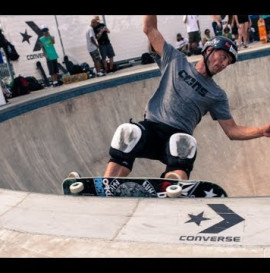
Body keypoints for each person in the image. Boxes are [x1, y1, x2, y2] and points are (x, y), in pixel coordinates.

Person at [103, 15, 270, 181]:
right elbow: (149, 29)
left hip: (176, 137)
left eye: (228, 62)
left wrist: (262, 130)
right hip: (151, 130)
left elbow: (232, 131)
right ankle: (109, 184)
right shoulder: (175, 61)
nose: (224, 64)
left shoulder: (217, 95)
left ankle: (173, 190)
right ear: (209, 50)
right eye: (224, 57)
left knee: (184, 143)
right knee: (128, 132)